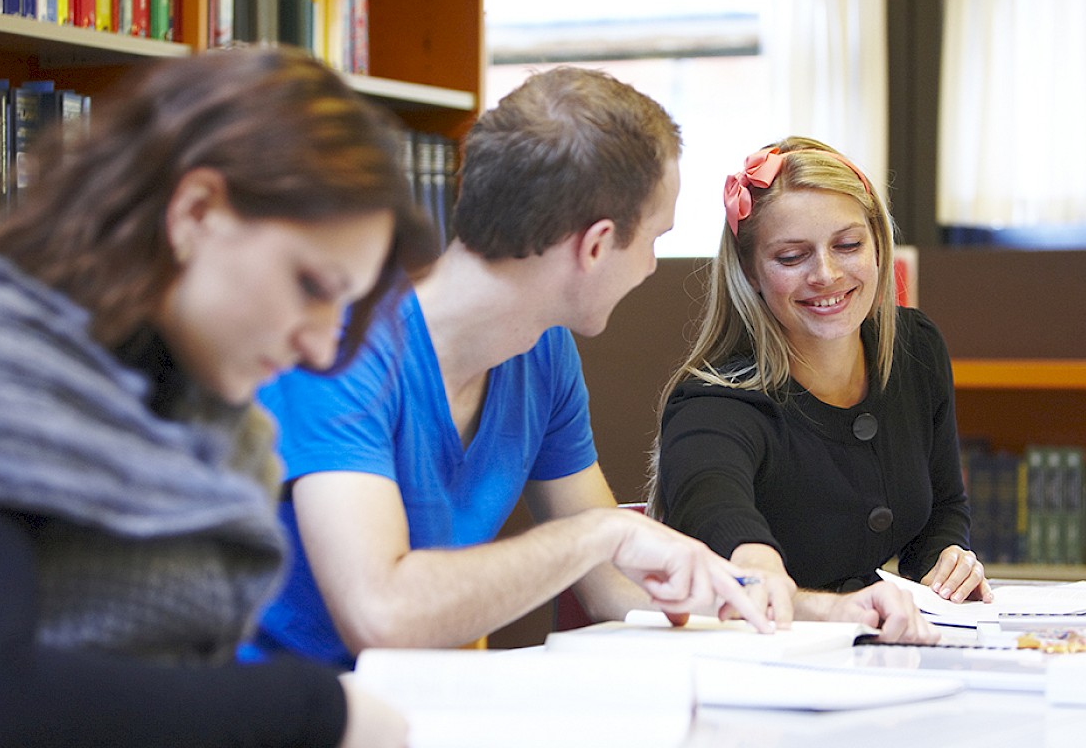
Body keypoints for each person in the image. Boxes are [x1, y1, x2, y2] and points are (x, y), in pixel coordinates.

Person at [249, 69, 933, 671]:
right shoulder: (339, 349)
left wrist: (824, 613)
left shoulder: (542, 355)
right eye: (657, 239)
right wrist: (598, 534)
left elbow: (615, 583)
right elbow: (381, 616)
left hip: (416, 699)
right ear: (598, 245)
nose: (652, 267)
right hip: (279, 707)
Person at [0, 47, 434, 747]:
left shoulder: (221, 424)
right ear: (196, 211)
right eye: (312, 287)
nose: (322, 349)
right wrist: (315, 708)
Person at [645, 136, 991, 627]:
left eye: (848, 245)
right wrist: (754, 559)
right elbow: (713, 505)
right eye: (791, 257)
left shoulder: (916, 349)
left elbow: (942, 507)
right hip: (753, 660)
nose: (826, 274)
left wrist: (947, 563)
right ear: (749, 271)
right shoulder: (714, 400)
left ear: (877, 244)